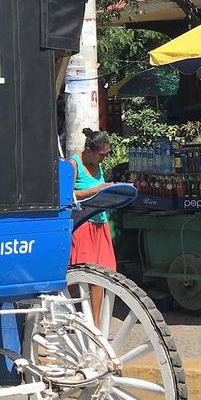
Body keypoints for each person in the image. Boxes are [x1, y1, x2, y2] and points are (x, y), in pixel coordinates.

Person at [69, 128, 116, 322]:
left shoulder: (98, 165)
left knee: (101, 275)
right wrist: (96, 189)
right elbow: (68, 193)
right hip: (83, 223)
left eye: (106, 154)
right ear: (88, 150)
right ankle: (76, 316)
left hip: (100, 222)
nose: (103, 159)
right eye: (101, 155)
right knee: (79, 273)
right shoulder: (73, 163)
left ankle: (95, 323)